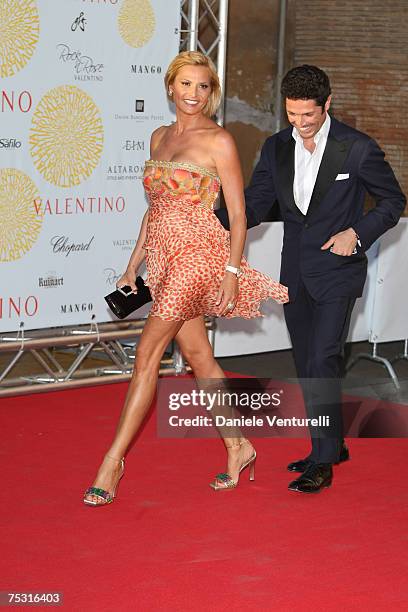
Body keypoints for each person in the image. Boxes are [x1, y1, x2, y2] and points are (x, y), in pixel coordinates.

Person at [83, 51, 288, 506]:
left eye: (202, 86)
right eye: (186, 85)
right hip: (163, 257)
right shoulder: (158, 136)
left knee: (146, 353)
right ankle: (239, 446)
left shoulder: (220, 141)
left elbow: (238, 215)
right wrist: (134, 262)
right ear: (171, 88)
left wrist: (232, 272)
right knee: (200, 359)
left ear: (210, 92)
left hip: (199, 257)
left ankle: (111, 462)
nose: (194, 94)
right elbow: (155, 209)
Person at [216, 64, 406, 493]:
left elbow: (393, 201)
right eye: (292, 114)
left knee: (321, 359)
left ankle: (321, 462)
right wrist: (211, 220)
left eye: (308, 115)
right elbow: (259, 202)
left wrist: (356, 234)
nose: (299, 124)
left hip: (338, 272)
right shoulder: (277, 147)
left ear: (328, 104)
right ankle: (333, 443)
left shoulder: (356, 148)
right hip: (294, 275)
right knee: (306, 363)